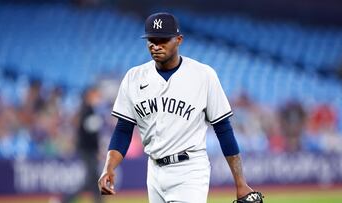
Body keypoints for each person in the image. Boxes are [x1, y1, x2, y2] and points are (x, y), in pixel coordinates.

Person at [98, 12, 259, 203]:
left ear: (179, 40)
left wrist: (240, 182)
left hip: (189, 169)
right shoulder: (134, 78)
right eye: (151, 39)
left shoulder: (203, 75)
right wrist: (109, 167)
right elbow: (123, 130)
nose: (156, 45)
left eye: (163, 40)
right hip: (154, 171)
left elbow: (223, 128)